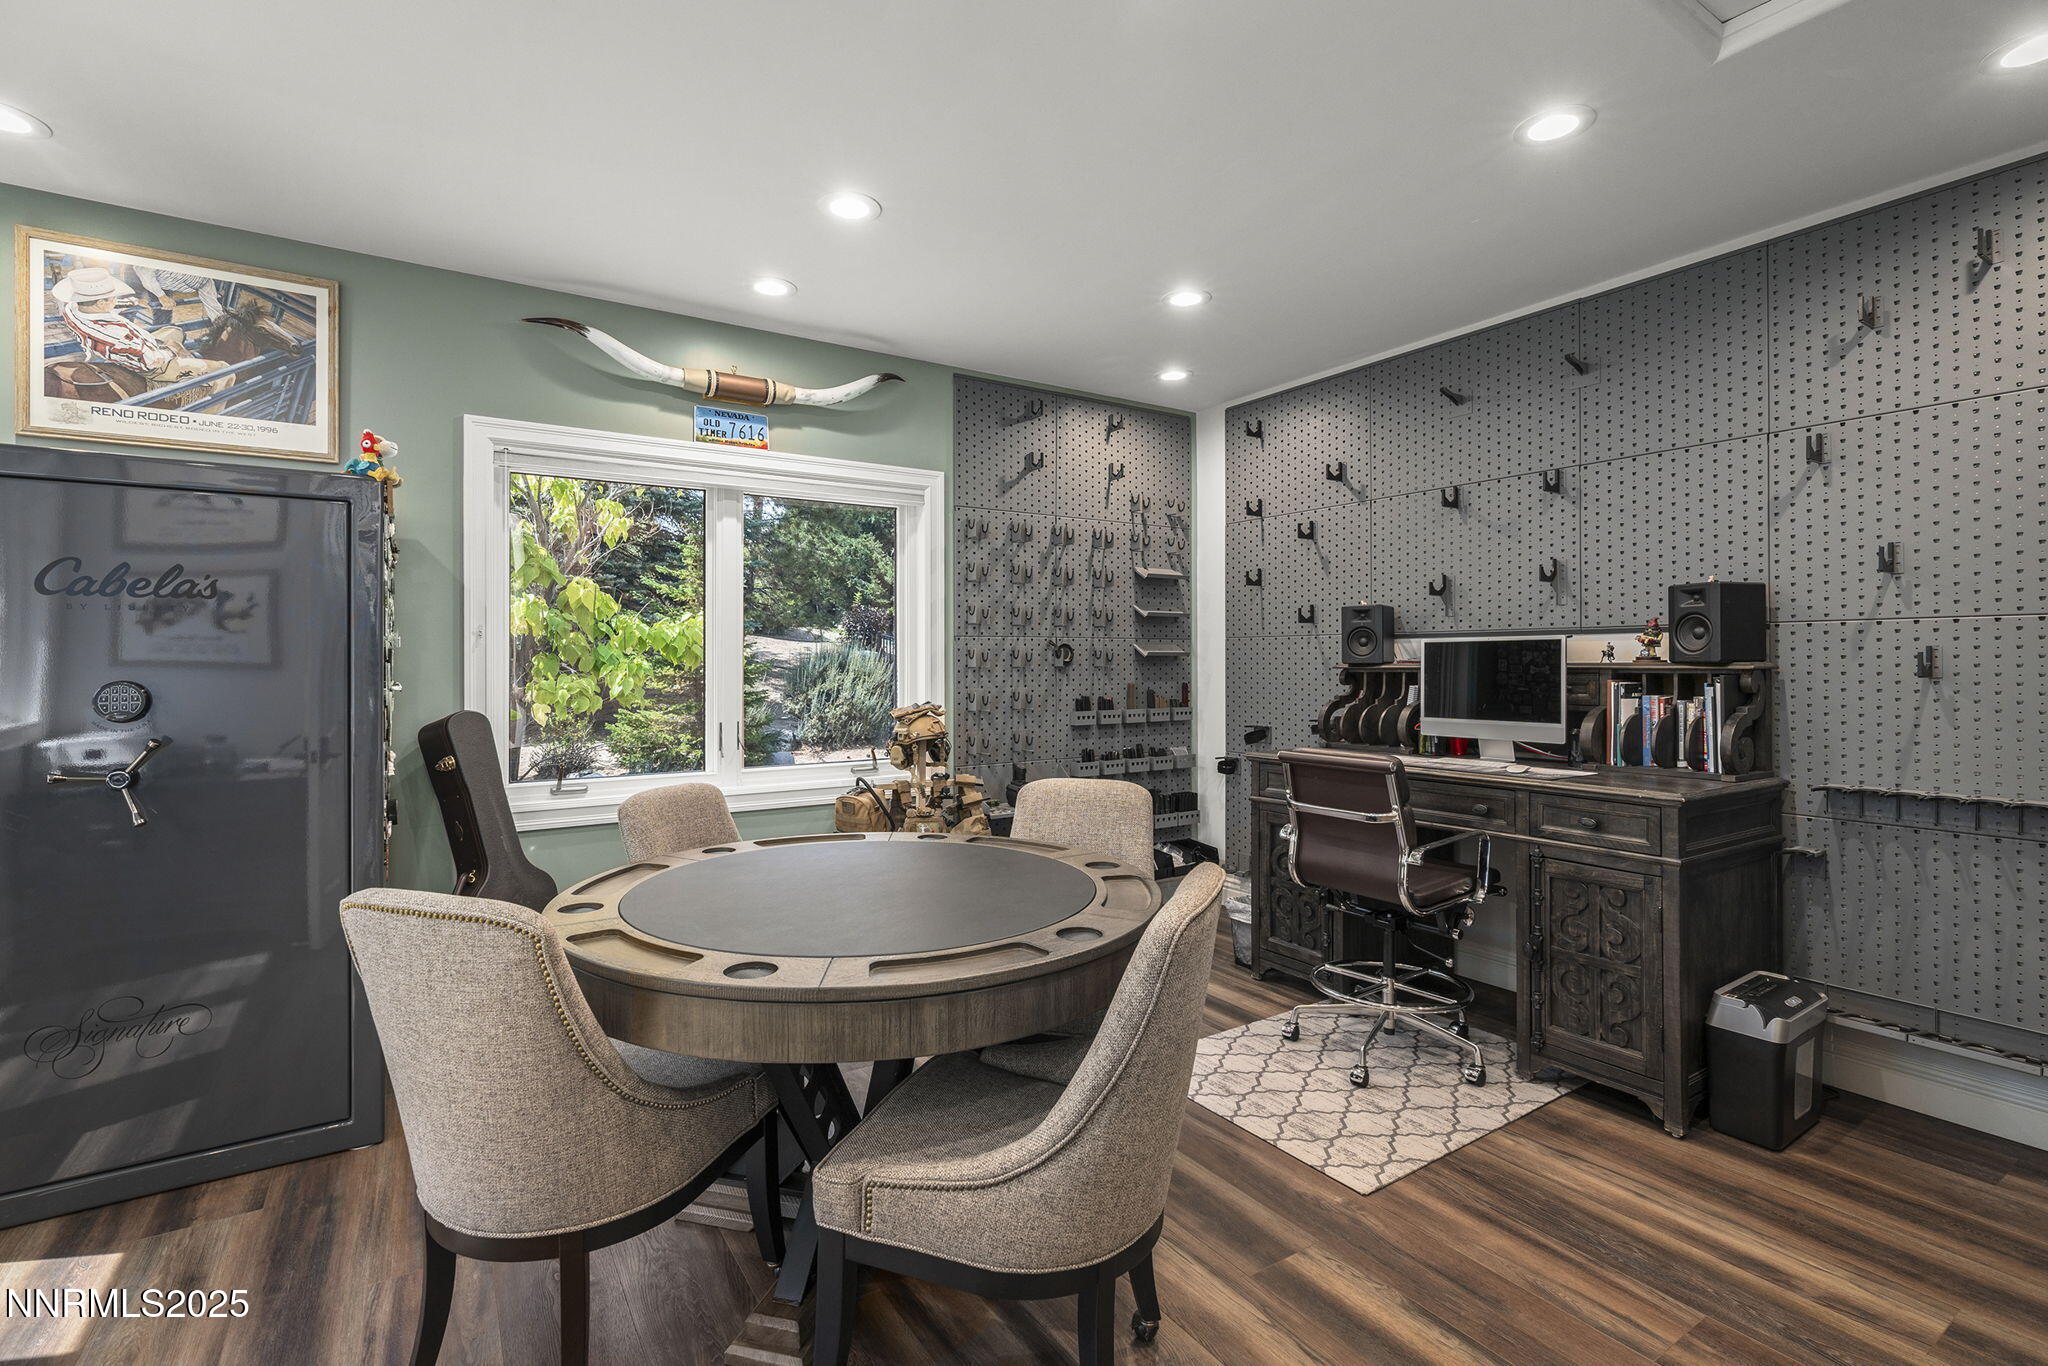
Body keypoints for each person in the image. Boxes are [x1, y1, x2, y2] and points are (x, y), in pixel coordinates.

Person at [50, 264, 233, 406]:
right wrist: (172, 350)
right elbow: (150, 360)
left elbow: (104, 307)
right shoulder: (116, 336)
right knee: (225, 372)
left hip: (136, 347)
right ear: (99, 303)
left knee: (176, 331)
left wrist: (133, 302)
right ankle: (208, 408)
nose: (115, 299)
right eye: (112, 297)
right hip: (151, 362)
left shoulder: (74, 308)